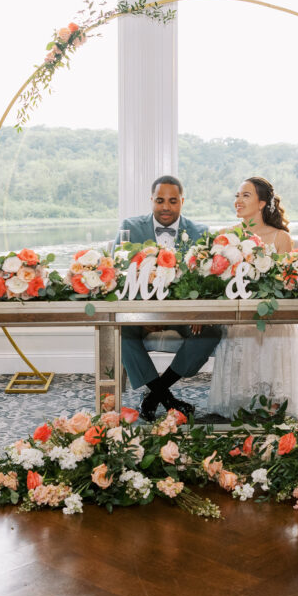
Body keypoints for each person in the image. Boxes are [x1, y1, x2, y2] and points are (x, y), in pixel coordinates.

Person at [116, 175, 221, 421]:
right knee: (120, 334)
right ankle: (168, 398)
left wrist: (199, 310)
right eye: (160, 200)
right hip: (141, 309)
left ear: (182, 201)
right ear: (151, 200)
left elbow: (210, 277)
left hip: (184, 311)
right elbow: (120, 272)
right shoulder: (129, 227)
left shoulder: (201, 232)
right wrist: (141, 315)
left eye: (173, 201)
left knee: (210, 332)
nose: (166, 206)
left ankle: (154, 396)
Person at [206, 177, 298, 418]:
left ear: (262, 203)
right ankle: (242, 400)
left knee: (270, 324)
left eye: (245, 195)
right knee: (242, 322)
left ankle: (274, 400)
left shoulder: (280, 238)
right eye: (237, 195)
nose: (238, 201)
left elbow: (287, 284)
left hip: (271, 311)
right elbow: (216, 282)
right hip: (238, 311)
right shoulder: (225, 236)